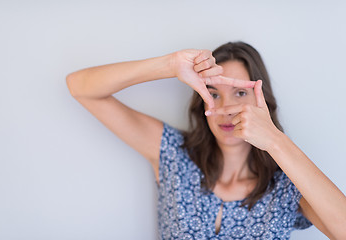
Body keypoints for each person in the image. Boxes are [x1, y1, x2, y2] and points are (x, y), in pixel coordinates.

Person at [66, 41, 346, 239]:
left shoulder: (287, 187)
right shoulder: (173, 154)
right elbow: (80, 87)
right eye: (213, 93)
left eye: (239, 93)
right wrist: (168, 64)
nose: (225, 108)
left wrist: (274, 139)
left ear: (263, 101)